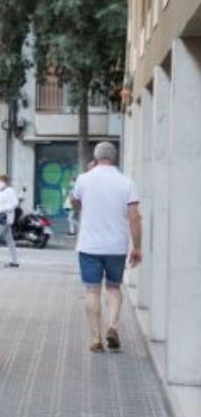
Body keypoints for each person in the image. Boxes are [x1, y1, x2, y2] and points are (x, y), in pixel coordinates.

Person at [70, 142, 141, 353]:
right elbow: (135, 217)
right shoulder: (126, 182)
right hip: (116, 246)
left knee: (92, 290)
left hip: (89, 245)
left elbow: (74, 203)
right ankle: (113, 326)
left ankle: (95, 339)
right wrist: (137, 247)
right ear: (115, 157)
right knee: (113, 288)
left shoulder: (84, 179)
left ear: (96, 157)